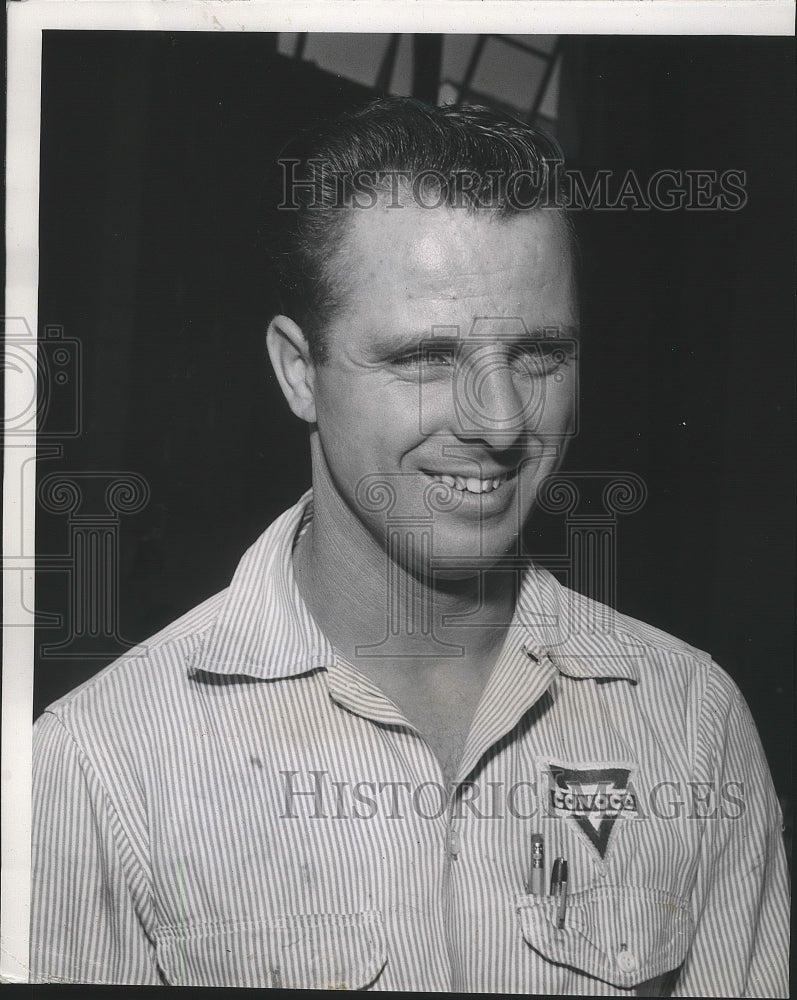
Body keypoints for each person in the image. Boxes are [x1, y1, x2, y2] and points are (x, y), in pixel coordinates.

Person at [30, 98, 789, 994]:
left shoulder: (692, 723)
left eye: (540, 355)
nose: (500, 423)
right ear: (298, 371)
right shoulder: (100, 767)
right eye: (426, 358)